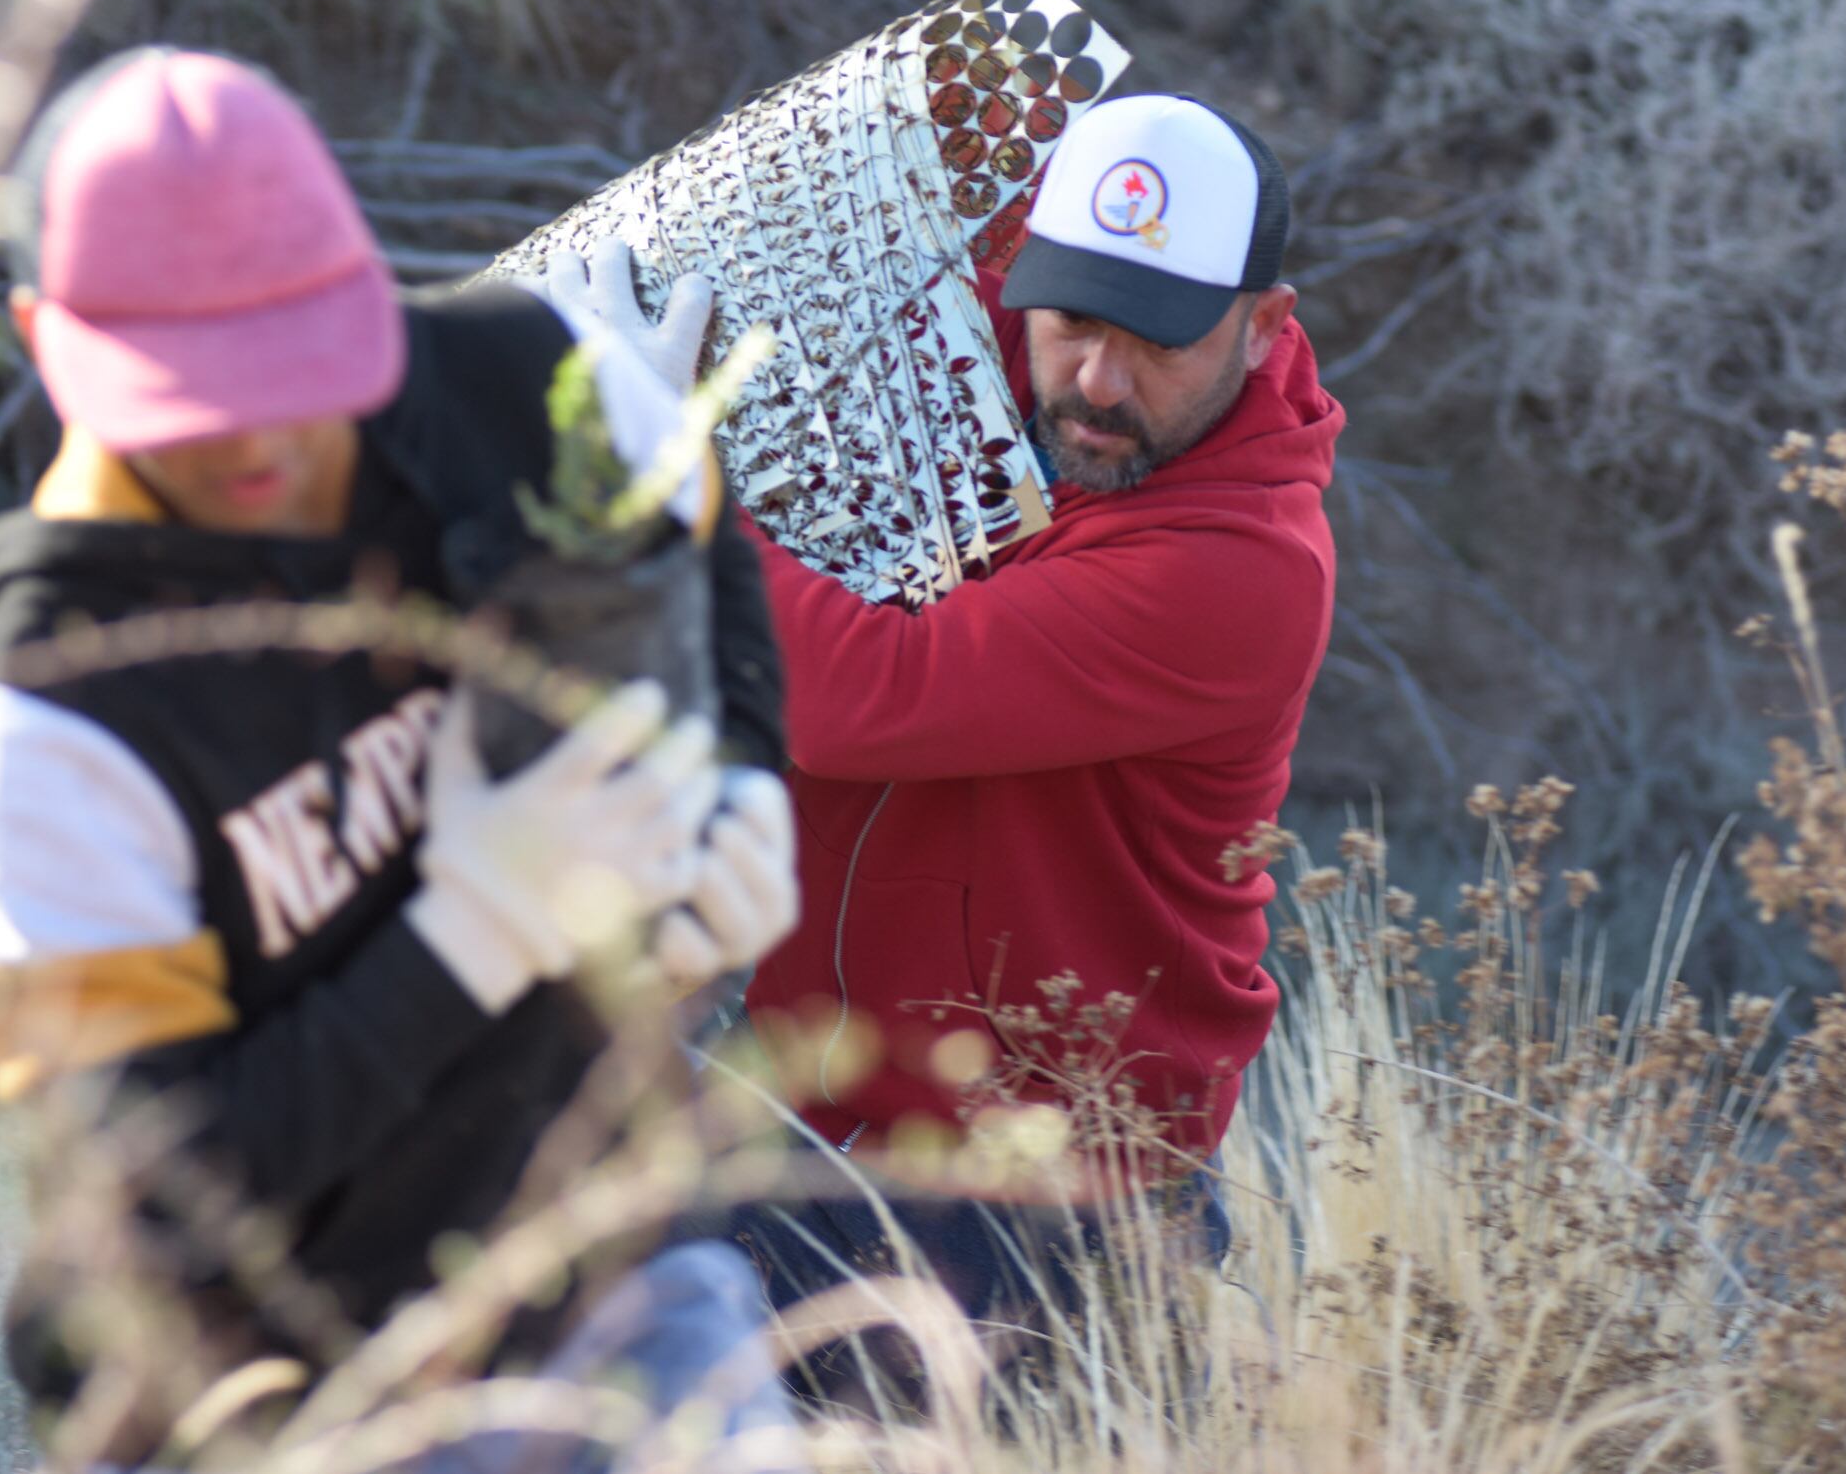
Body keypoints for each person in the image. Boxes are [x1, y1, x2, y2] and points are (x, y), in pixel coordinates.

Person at [0, 47, 802, 1467]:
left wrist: (746, 773)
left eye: (296, 354)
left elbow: (701, 542)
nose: (271, 430)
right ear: (46, 338)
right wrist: (472, 927)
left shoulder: (519, 384)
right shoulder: (51, 724)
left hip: (607, 1267)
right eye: (204, 389)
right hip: (284, 1401)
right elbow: (161, 1204)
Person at [551, 92, 1342, 1360]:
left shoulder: (1242, 568)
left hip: (1048, 1210)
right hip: (805, 1115)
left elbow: (861, 694)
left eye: (1158, 342)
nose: (1096, 379)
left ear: (1262, 329)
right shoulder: (1012, 351)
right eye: (1074, 318)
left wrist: (662, 469)